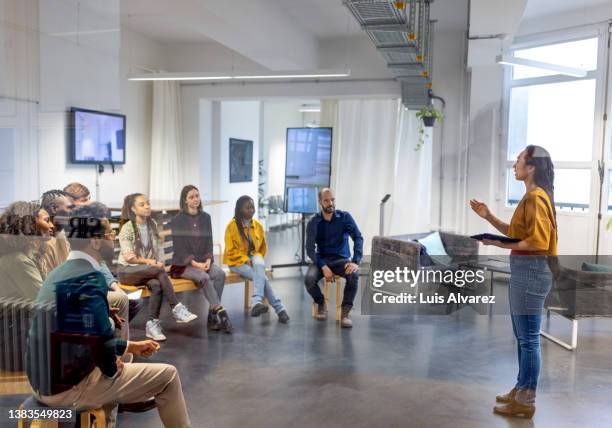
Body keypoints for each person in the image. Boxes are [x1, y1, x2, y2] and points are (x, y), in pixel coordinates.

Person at [25, 204, 191, 428]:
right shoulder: (91, 278)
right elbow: (103, 347)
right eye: (109, 234)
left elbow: (80, 333)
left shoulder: (60, 272)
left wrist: (130, 346)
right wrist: (113, 369)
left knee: (125, 356)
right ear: (95, 241)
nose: (113, 239)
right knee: (168, 376)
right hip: (67, 390)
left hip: (42, 381)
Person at [470, 145, 557, 419]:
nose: (514, 164)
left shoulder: (535, 197)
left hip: (532, 273)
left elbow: (539, 242)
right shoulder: (531, 197)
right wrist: (489, 218)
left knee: (529, 339)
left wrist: (496, 242)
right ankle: (521, 387)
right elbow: (515, 233)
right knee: (523, 338)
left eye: (519, 160)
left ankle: (526, 399)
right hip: (525, 271)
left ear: (531, 167)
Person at [118, 193, 197, 341]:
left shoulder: (152, 224)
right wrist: (150, 263)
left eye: (148, 203)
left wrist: (154, 262)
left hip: (145, 271)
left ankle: (152, 324)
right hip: (127, 271)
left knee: (156, 285)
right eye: (142, 204)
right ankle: (176, 307)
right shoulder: (127, 228)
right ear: (133, 209)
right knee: (158, 270)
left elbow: (155, 249)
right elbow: (129, 257)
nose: (147, 206)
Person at [170, 185, 232, 333]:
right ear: (185, 201)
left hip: (203, 261)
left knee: (220, 274)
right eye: (191, 197)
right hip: (184, 264)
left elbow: (208, 241)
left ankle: (212, 315)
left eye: (197, 196)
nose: (195, 199)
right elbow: (179, 247)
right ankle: (220, 311)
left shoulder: (206, 217)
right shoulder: (177, 220)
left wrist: (209, 259)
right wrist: (194, 263)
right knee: (204, 277)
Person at [224, 195, 290, 323]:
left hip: (254, 257)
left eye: (252, 207)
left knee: (259, 264)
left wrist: (255, 259)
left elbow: (262, 248)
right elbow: (230, 251)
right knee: (261, 277)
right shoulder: (231, 226)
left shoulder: (258, 226)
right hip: (236, 261)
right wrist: (245, 259)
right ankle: (280, 309)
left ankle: (256, 302)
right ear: (240, 210)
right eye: (247, 208)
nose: (251, 210)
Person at [305, 188, 363, 328]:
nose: (330, 203)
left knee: (353, 274)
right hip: (322, 259)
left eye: (332, 199)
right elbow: (310, 249)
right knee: (309, 279)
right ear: (320, 202)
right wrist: (323, 266)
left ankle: (345, 312)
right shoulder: (313, 222)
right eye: (326, 200)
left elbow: (358, 237)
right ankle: (321, 303)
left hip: (341, 259)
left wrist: (355, 261)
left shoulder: (344, 217)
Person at [0, 201, 54, 299]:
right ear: (29, 224)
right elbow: (45, 301)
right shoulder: (18, 261)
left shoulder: (35, 255)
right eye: (47, 220)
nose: (52, 226)